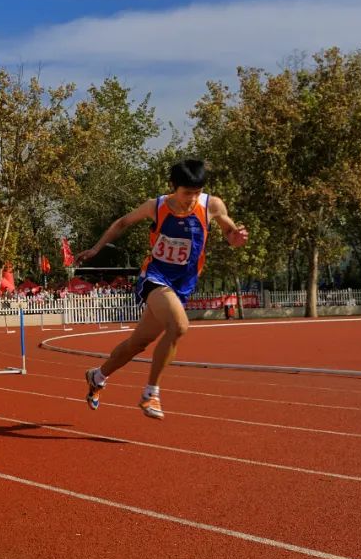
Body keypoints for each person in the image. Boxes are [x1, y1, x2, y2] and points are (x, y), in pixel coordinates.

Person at [76, 159, 248, 420]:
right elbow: (122, 223)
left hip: (183, 285)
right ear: (172, 188)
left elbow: (230, 234)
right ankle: (150, 394)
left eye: (196, 193)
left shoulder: (212, 205)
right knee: (179, 326)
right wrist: (96, 248)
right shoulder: (156, 206)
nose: (191, 199)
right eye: (186, 193)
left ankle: (97, 377)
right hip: (155, 277)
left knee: (138, 343)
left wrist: (236, 240)